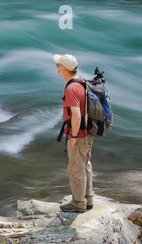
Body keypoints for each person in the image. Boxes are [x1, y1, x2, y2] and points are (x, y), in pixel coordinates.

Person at [54, 54, 94, 213]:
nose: (56, 67)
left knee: (76, 169)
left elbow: (76, 115)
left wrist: (73, 137)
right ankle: (88, 199)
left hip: (79, 134)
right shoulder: (82, 82)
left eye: (57, 65)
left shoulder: (71, 88)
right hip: (88, 132)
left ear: (63, 69)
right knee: (86, 166)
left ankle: (78, 203)